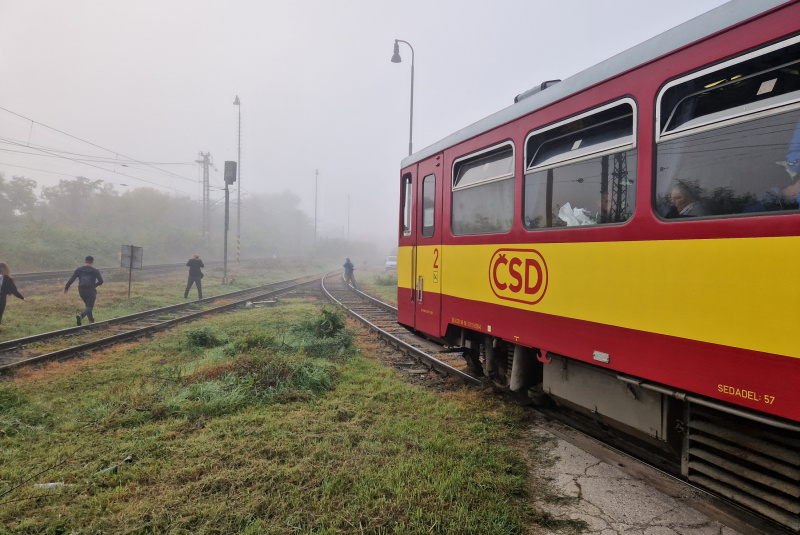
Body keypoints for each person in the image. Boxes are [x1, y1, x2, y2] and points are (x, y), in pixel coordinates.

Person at [64, 256, 103, 325]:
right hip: (90, 290)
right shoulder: (95, 270)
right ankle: (81, 316)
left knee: (88, 306)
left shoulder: (79, 269)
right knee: (90, 306)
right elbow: (101, 281)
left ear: (85, 261)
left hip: (81, 290)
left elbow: (72, 279)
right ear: (92, 262)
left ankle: (91, 321)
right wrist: (95, 285)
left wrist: (66, 288)